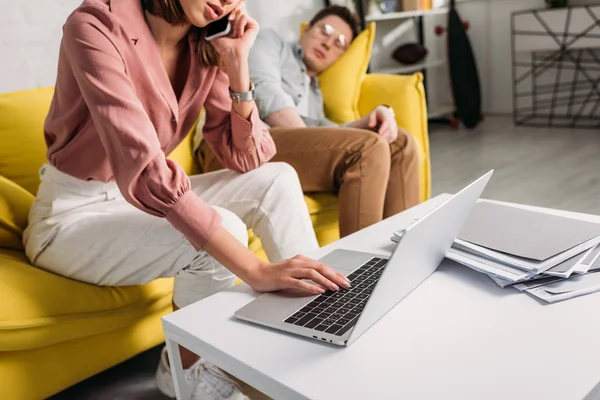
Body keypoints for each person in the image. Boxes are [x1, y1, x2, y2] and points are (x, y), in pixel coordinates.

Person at [22, 1, 350, 399]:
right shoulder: (93, 26)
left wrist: (237, 65)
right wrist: (258, 271)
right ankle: (188, 371)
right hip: (74, 214)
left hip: (140, 202)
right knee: (220, 228)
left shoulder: (204, 42)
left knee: (276, 178)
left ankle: (323, 325)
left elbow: (246, 157)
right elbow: (145, 171)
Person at [196, 5, 421, 238]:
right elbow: (266, 94)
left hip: (279, 149)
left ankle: (405, 256)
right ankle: (362, 270)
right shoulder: (269, 40)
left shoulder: (315, 94)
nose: (328, 43)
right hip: (234, 143)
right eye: (326, 31)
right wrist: (349, 142)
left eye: (340, 43)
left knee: (401, 143)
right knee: (369, 148)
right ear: (306, 30)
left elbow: (323, 137)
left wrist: (370, 121)